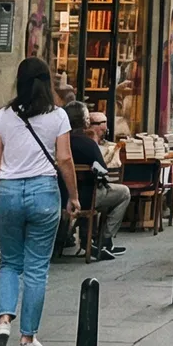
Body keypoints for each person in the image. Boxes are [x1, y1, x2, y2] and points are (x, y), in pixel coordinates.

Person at [0, 57, 76, 346]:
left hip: (7, 192)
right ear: (47, 83)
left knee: (10, 263)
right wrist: (73, 196)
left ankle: (3, 322)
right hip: (43, 192)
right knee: (36, 268)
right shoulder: (58, 116)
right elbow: (64, 159)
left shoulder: (3, 116)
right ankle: (27, 339)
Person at [64, 103, 128, 262]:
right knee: (124, 193)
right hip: (87, 197)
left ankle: (86, 238)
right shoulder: (88, 144)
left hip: (63, 196)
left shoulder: (60, 142)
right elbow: (103, 171)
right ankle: (104, 238)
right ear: (85, 121)